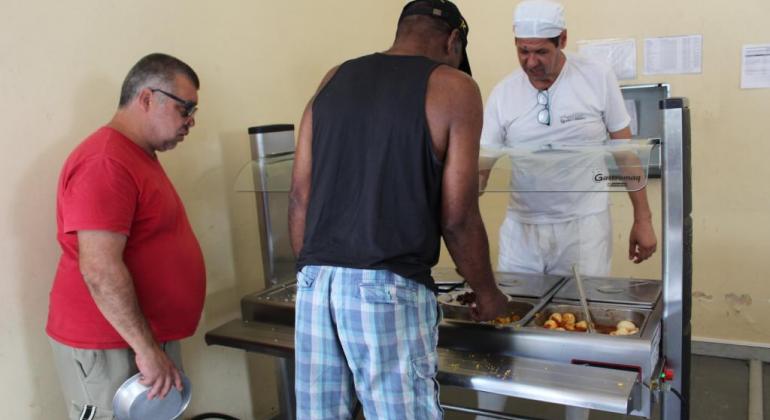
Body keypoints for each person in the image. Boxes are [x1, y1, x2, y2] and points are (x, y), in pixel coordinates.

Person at [288, 1, 509, 418]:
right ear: (453, 41)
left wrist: (312, 275)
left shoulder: (334, 77)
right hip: (387, 289)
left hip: (317, 287)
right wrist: (487, 293)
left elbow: (300, 195)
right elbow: (458, 215)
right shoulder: (455, 87)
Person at [476, 1, 658, 419]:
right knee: (503, 326)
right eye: (522, 50)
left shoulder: (596, 78)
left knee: (580, 326)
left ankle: (575, 413)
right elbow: (482, 168)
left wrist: (642, 218)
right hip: (522, 228)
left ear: (563, 40)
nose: (530, 62)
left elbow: (626, 155)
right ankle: (487, 413)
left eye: (541, 51)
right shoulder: (504, 93)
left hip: (584, 225)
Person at [46, 53, 205, 420]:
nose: (191, 121)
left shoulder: (135, 156)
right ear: (147, 98)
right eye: (186, 109)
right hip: (112, 345)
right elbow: (99, 267)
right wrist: (146, 349)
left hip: (139, 338)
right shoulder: (105, 162)